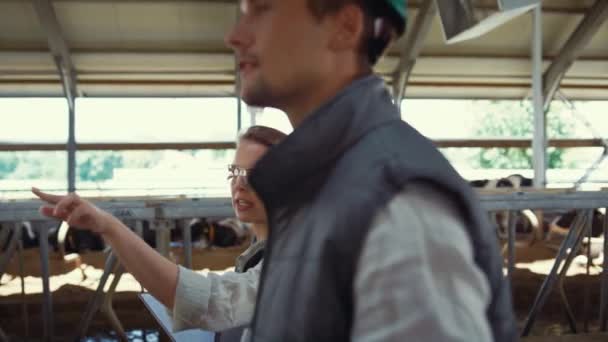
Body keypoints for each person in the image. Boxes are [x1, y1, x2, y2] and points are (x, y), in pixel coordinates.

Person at [226, 0, 517, 341]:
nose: (236, 36)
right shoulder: (319, 187)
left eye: (262, 9)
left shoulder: (397, 206)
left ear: (345, 26)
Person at [32, 125, 286, 335]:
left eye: (255, 174)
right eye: (235, 171)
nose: (239, 185)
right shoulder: (259, 252)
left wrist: (109, 226)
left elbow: (214, 301)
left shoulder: (291, 258)